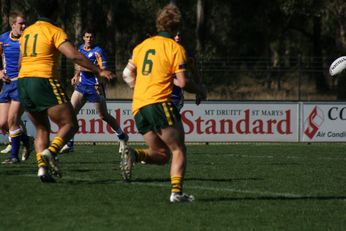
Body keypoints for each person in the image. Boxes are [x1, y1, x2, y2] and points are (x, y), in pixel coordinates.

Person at [17, 0, 115, 183]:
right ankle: (50, 153)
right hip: (43, 80)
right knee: (70, 125)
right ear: (55, 13)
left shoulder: (27, 32)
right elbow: (74, 55)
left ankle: (42, 169)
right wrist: (99, 70)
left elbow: (21, 61)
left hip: (23, 81)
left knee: (41, 128)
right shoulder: (55, 31)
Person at [121, 3, 207, 202]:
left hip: (139, 107)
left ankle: (134, 155)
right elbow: (184, 83)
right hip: (159, 103)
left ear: (158, 24)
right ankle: (176, 193)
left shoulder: (141, 46)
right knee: (179, 149)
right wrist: (201, 89)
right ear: (177, 27)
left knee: (161, 154)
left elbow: (126, 74)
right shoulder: (175, 48)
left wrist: (139, 87)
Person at [60, 30, 128, 154]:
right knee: (70, 113)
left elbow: (102, 70)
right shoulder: (80, 49)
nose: (89, 39)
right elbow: (78, 64)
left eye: (91, 37)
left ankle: (122, 136)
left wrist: (85, 68)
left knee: (104, 116)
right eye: (87, 37)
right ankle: (70, 144)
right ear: (83, 38)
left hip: (95, 87)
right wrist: (76, 74)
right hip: (81, 86)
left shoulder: (98, 51)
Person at [0, 11, 34, 164]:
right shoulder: (2, 39)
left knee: (13, 119)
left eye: (25, 23)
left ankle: (14, 156)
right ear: (13, 25)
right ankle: (27, 141)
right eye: (21, 23)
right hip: (7, 84)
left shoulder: (28, 39)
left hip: (22, 84)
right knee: (2, 123)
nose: (24, 26)